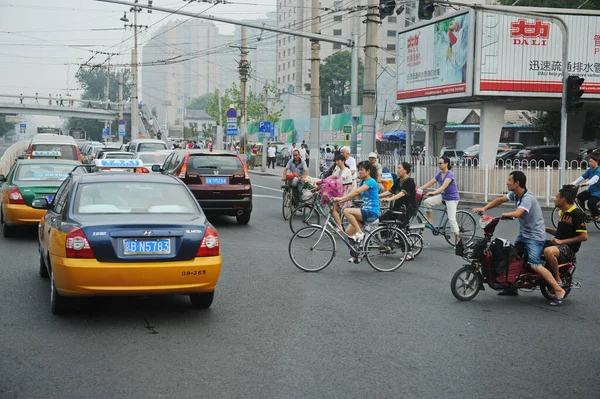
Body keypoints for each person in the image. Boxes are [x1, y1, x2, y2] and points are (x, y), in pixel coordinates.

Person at [472, 171, 566, 301]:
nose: (507, 182)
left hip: (535, 237)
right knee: (512, 258)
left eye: (509, 180)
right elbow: (501, 199)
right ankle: (512, 287)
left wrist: (507, 214)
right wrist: (484, 208)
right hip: (524, 235)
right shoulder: (515, 194)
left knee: (534, 264)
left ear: (517, 183)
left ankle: (558, 289)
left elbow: (518, 213)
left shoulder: (528, 198)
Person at [543, 186, 587, 303]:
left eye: (557, 197)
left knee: (548, 251)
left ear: (563, 199)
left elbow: (584, 236)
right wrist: (544, 229)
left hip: (569, 248)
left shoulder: (576, 213)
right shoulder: (562, 212)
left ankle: (558, 280)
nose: (554, 199)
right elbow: (560, 232)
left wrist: (561, 242)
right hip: (559, 245)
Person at [333, 161, 380, 246]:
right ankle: (356, 255)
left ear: (368, 171)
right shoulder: (362, 182)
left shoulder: (371, 181)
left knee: (346, 211)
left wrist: (341, 199)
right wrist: (340, 200)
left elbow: (356, 192)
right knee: (348, 232)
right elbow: (353, 192)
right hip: (365, 211)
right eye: (359, 170)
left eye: (361, 170)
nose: (359, 172)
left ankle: (360, 233)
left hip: (372, 212)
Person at [420, 156, 461, 244]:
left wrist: (433, 193)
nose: (439, 165)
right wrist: (419, 189)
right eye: (438, 163)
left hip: (452, 198)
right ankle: (430, 220)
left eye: (440, 163)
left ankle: (458, 238)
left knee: (451, 219)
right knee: (427, 202)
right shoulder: (439, 174)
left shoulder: (450, 174)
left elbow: (444, 186)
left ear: (446, 164)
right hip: (444, 196)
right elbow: (430, 183)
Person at [380, 162, 417, 227]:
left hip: (406, 209)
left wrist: (389, 199)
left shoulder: (409, 181)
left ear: (405, 170)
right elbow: (390, 191)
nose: (397, 170)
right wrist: (377, 195)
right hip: (397, 208)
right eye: (397, 168)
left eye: (399, 168)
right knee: (382, 219)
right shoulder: (398, 180)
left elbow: (402, 193)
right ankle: (386, 237)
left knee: (400, 227)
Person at [571, 153, 600, 222]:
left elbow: (594, 179)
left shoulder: (599, 170)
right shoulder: (590, 170)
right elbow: (582, 177)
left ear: (596, 162)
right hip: (591, 190)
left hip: (598, 192)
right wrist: (573, 183)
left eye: (591, 161)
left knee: (590, 203)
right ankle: (584, 214)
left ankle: (598, 215)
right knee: (579, 197)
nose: (589, 163)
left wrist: (586, 184)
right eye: (589, 161)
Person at [329, 154, 354, 232]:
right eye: (336, 161)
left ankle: (340, 226)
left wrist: (331, 183)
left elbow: (340, 180)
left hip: (345, 192)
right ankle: (340, 226)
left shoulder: (346, 170)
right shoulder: (339, 170)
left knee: (334, 209)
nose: (337, 162)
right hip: (340, 191)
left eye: (338, 161)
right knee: (334, 209)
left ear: (343, 161)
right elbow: (332, 177)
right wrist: (323, 181)